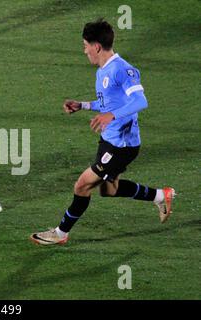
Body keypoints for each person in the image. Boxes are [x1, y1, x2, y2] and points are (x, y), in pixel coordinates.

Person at [30, 19, 175, 246]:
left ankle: (60, 233)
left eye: (85, 44)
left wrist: (112, 116)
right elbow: (109, 103)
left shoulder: (122, 69)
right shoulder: (103, 71)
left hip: (122, 146)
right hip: (109, 140)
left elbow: (140, 100)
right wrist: (84, 105)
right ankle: (160, 196)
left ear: (97, 46)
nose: (84, 50)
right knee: (109, 190)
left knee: (82, 185)